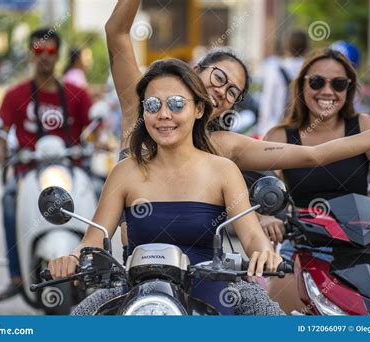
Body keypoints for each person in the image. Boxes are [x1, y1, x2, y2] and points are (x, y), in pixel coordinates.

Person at [105, 0, 370, 263]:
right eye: (218, 78)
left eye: (233, 92)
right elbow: (116, 31)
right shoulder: (140, 104)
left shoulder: (223, 145)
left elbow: (313, 155)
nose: (222, 92)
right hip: (137, 270)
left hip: (199, 277)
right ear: (197, 69)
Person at [49, 59, 285, 315]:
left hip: (215, 292)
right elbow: (93, 241)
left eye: (176, 104)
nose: (163, 114)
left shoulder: (223, 170)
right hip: (136, 293)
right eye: (152, 105)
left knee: (273, 322)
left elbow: (251, 236)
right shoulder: (124, 172)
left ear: (198, 109)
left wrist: (265, 253)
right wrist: (72, 258)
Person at [259, 48, 370, 314]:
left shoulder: (364, 125)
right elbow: (255, 189)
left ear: (349, 89)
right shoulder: (279, 136)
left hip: (361, 247)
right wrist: (265, 217)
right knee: (277, 318)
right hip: (302, 246)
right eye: (316, 82)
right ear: (301, 85)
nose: (327, 91)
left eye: (338, 84)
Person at [0, 28, 94, 302]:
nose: (44, 57)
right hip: (29, 173)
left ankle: (103, 268)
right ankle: (16, 276)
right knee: (10, 197)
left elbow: (94, 130)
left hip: (73, 170)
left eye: (50, 51)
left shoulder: (77, 94)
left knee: (101, 189)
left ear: (58, 55)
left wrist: (102, 141)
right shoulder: (15, 95)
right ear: (30, 55)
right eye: (38, 51)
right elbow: (1, 132)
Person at [257, 29, 309, 135]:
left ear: (286, 46)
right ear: (307, 48)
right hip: (305, 130)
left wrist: (263, 131)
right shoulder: (311, 69)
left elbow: (267, 103)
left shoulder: (275, 70)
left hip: (278, 130)